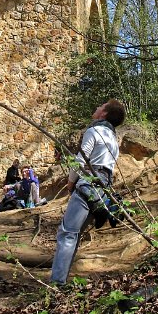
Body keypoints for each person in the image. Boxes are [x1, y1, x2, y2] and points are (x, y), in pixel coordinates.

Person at [50, 99, 126, 285]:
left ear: (104, 114)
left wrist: (70, 183)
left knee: (67, 233)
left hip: (87, 186)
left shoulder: (94, 131)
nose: (97, 106)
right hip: (102, 189)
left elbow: (80, 160)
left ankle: (57, 282)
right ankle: (61, 278)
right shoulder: (113, 140)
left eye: (101, 106)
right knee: (74, 235)